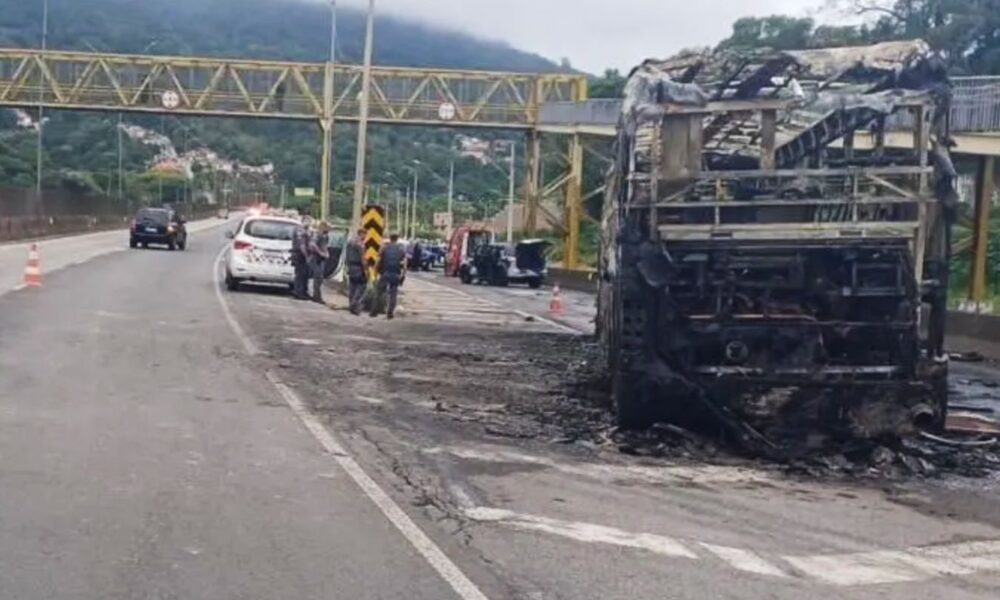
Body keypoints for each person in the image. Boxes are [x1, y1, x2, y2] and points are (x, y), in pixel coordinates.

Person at [371, 232, 407, 320]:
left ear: (390, 238)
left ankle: (374, 311)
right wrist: (403, 275)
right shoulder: (401, 249)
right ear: (397, 239)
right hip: (395, 274)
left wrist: (375, 272)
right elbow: (405, 264)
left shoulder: (384, 248)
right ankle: (390, 313)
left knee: (378, 292)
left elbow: (378, 261)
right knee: (393, 294)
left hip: (385, 273)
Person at [345, 228, 368, 315]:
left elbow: (346, 255)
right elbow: (363, 258)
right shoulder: (360, 244)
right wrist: (366, 269)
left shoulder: (350, 242)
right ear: (361, 233)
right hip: (358, 267)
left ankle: (351, 305)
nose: (365, 237)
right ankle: (354, 305)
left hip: (351, 267)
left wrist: (347, 266)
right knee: (362, 286)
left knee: (352, 286)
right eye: (365, 234)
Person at [309, 221, 331, 304]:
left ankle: (317, 295)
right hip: (316, 258)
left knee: (320, 278)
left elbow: (324, 246)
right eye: (328, 227)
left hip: (321, 258)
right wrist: (320, 252)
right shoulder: (318, 234)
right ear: (323, 227)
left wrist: (326, 252)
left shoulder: (326, 236)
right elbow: (312, 244)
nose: (329, 229)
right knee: (317, 277)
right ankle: (316, 296)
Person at [291, 216, 313, 300]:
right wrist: (306, 256)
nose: (309, 223)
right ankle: (298, 292)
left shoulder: (306, 230)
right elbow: (302, 245)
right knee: (300, 274)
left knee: (305, 274)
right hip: (300, 254)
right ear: (303, 221)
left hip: (303, 254)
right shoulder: (300, 230)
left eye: (310, 222)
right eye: (308, 221)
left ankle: (303, 292)